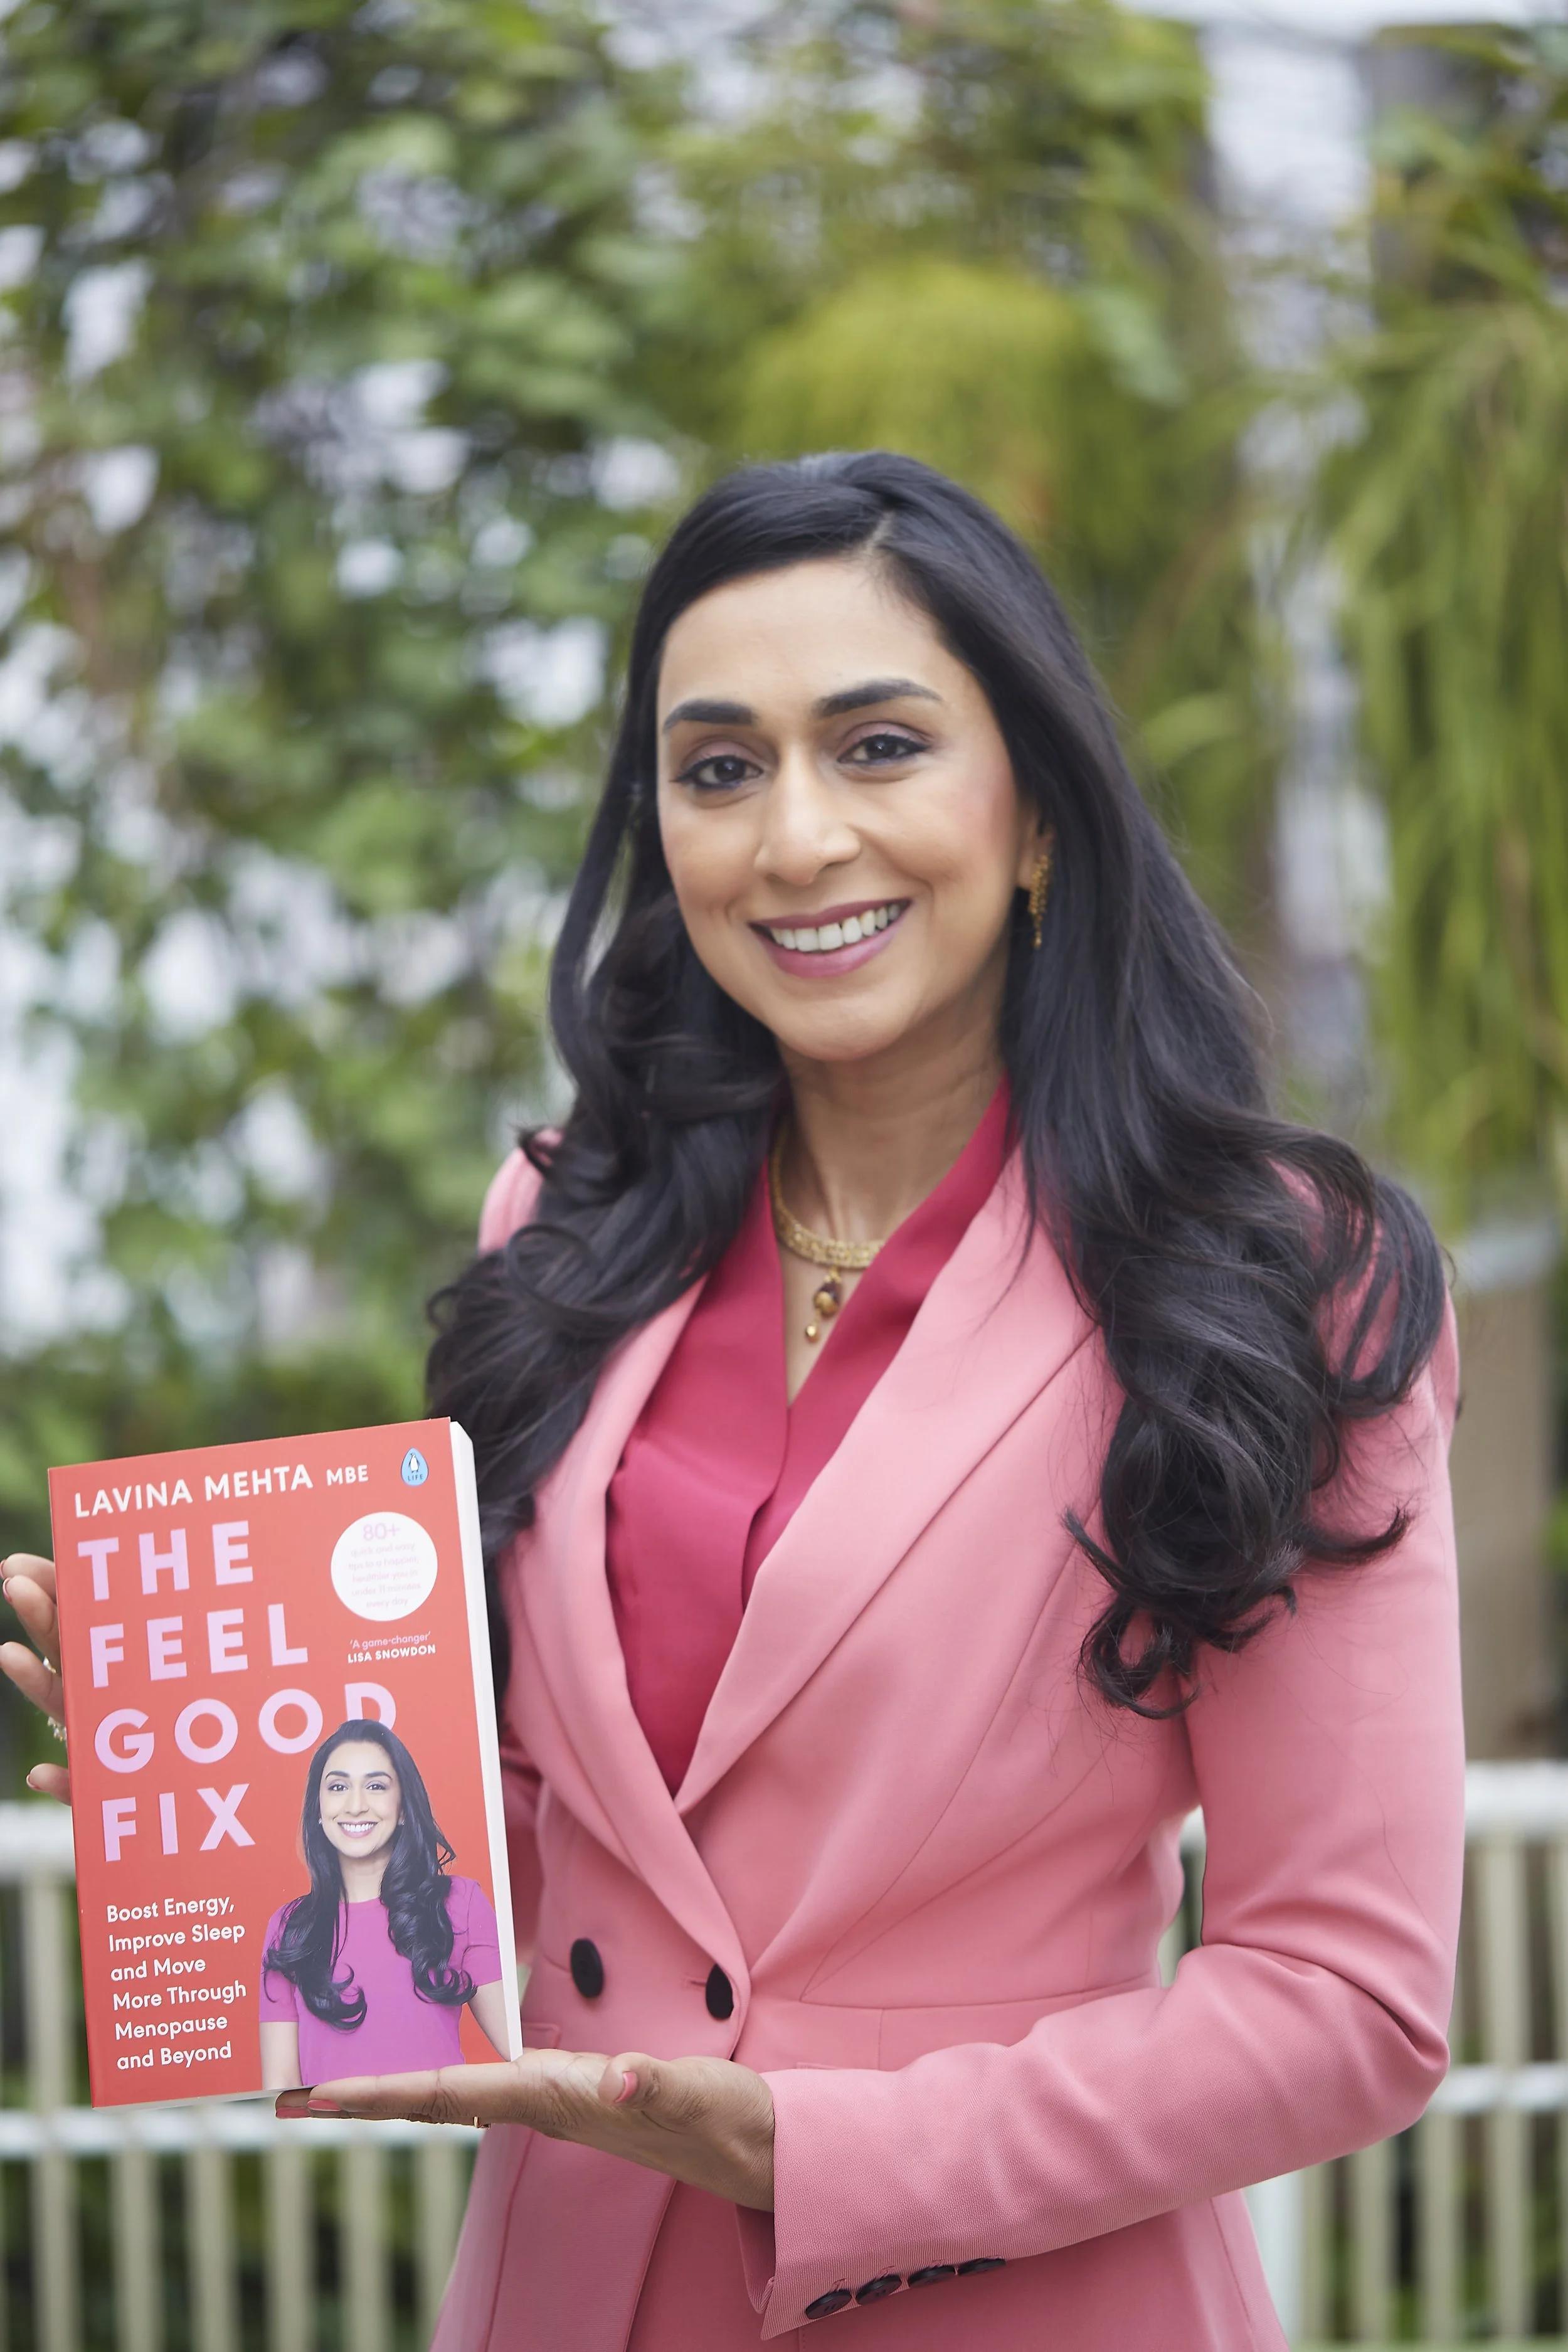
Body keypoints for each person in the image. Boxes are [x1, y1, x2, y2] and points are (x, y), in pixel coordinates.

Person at [1, 451, 1463, 2351]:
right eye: (716, 766)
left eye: (874, 745)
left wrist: (810, 2146)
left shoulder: (1267, 1269)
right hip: (558, 2292)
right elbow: (553, 1860)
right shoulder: (565, 1218)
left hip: (1009, 2300)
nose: (791, 838)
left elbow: (1344, 1997)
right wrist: (229, 1789)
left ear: (1032, 810)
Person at [259, 1718, 509, 2089]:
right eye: (339, 1786)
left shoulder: (460, 1903)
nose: (356, 1805)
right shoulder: (290, 1927)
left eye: (375, 1786)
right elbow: (282, 2092)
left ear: (404, 1807)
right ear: (318, 1807)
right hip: (336, 2143)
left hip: (438, 2138)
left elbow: (519, 2053)